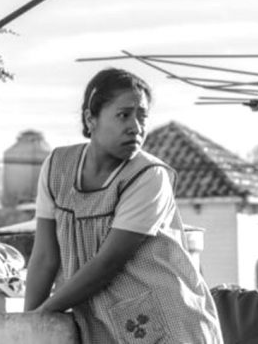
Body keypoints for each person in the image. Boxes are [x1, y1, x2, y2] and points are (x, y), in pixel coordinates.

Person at [24, 68, 222, 343]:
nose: (136, 127)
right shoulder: (57, 168)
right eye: (123, 115)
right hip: (104, 328)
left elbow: (106, 264)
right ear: (90, 118)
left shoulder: (148, 176)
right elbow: (45, 257)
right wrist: (27, 324)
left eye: (142, 116)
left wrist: (44, 312)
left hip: (169, 325)